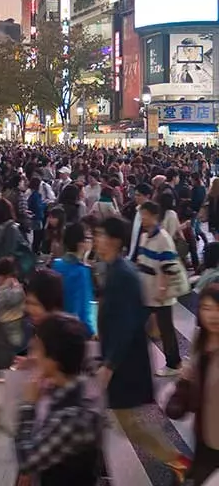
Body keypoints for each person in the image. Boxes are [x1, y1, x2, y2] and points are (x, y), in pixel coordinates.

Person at [95, 216, 190, 481]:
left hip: (126, 362)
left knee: (130, 423)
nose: (96, 239)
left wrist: (109, 366)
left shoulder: (122, 274)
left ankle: (179, 462)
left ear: (114, 240)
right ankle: (176, 461)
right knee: (128, 422)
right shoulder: (116, 269)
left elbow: (126, 323)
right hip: (124, 358)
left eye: (100, 234)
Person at [13, 313, 104, 486]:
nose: (32, 353)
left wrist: (28, 405)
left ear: (54, 362)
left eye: (38, 349)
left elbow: (27, 460)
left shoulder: (71, 418)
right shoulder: (77, 384)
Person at [171, 282, 219, 482]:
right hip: (202, 427)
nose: (213, 315)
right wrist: (186, 377)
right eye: (207, 308)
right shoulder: (200, 337)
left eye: (218, 309)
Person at [134, 200, 188, 375]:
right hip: (146, 292)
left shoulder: (163, 238)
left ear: (155, 216)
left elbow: (169, 267)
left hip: (159, 294)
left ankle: (174, 364)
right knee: (142, 326)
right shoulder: (144, 237)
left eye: (145, 215)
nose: (142, 219)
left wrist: (163, 290)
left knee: (166, 330)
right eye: (141, 216)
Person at [52, 222, 97, 336]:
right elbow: (84, 309)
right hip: (74, 331)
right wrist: (92, 333)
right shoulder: (82, 271)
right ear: (80, 243)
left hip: (56, 326)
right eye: (88, 238)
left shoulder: (56, 265)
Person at [0, 258, 26, 359]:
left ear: (5, 276)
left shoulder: (8, 292)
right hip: (17, 339)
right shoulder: (19, 288)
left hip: (7, 341)